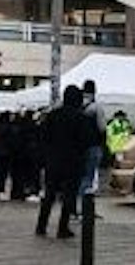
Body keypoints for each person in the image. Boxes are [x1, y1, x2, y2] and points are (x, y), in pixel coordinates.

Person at [36, 85, 95, 239]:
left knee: (49, 194)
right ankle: (63, 227)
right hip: (73, 162)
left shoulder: (52, 116)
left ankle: (41, 225)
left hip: (53, 161)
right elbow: (87, 141)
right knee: (69, 196)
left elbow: (43, 137)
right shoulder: (81, 118)